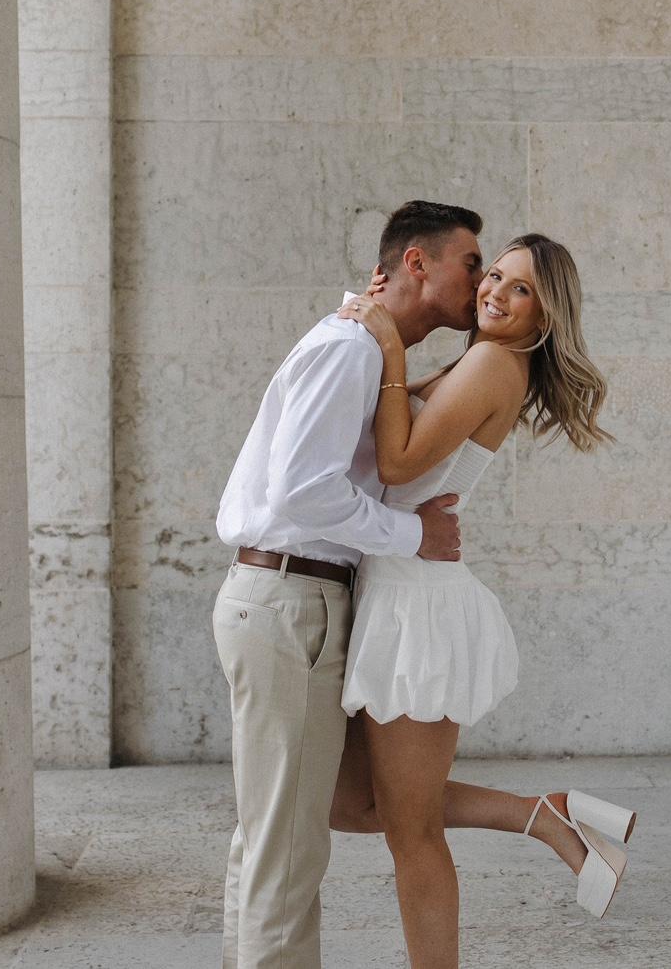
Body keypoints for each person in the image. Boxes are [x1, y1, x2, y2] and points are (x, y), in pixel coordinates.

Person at [330, 233, 635, 968]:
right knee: (347, 803)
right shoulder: (481, 358)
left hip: (416, 609)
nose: (495, 291)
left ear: (546, 314)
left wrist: (388, 347)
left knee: (411, 833)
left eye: (520, 288)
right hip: (395, 589)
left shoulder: (495, 364)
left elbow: (399, 461)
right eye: (494, 275)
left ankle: (546, 824)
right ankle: (547, 815)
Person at [212, 201, 487, 969]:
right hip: (292, 601)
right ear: (417, 264)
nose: (483, 281)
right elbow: (304, 492)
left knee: (268, 842)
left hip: (288, 599)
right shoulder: (350, 349)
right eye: (472, 263)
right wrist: (414, 535)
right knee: (286, 855)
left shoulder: (368, 348)